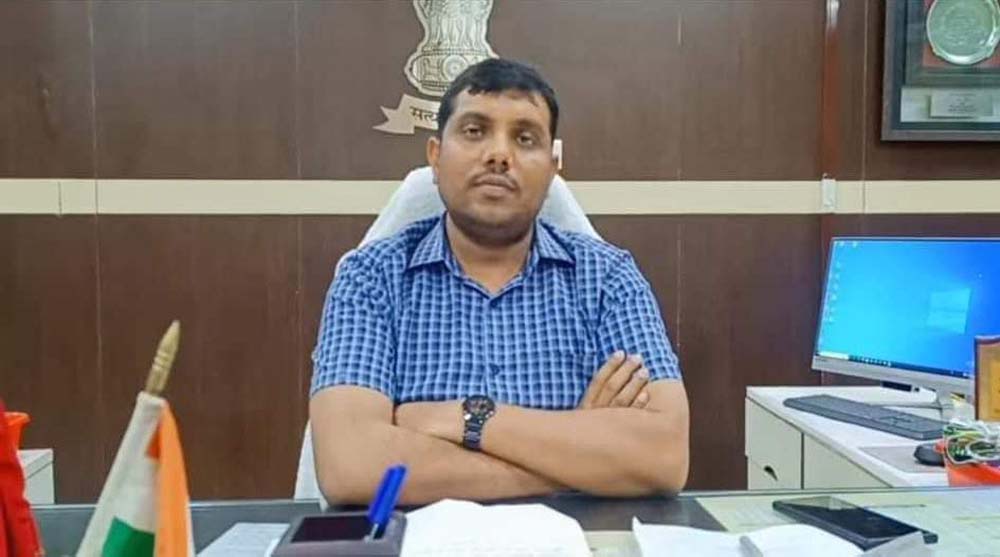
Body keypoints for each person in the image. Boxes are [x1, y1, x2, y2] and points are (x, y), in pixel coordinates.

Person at [309, 58, 689, 505]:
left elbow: (664, 457)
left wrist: (467, 418)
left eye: (525, 138)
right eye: (474, 131)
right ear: (435, 157)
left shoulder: (608, 279)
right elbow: (351, 468)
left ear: (553, 167)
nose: (498, 154)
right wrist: (579, 460)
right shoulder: (370, 278)